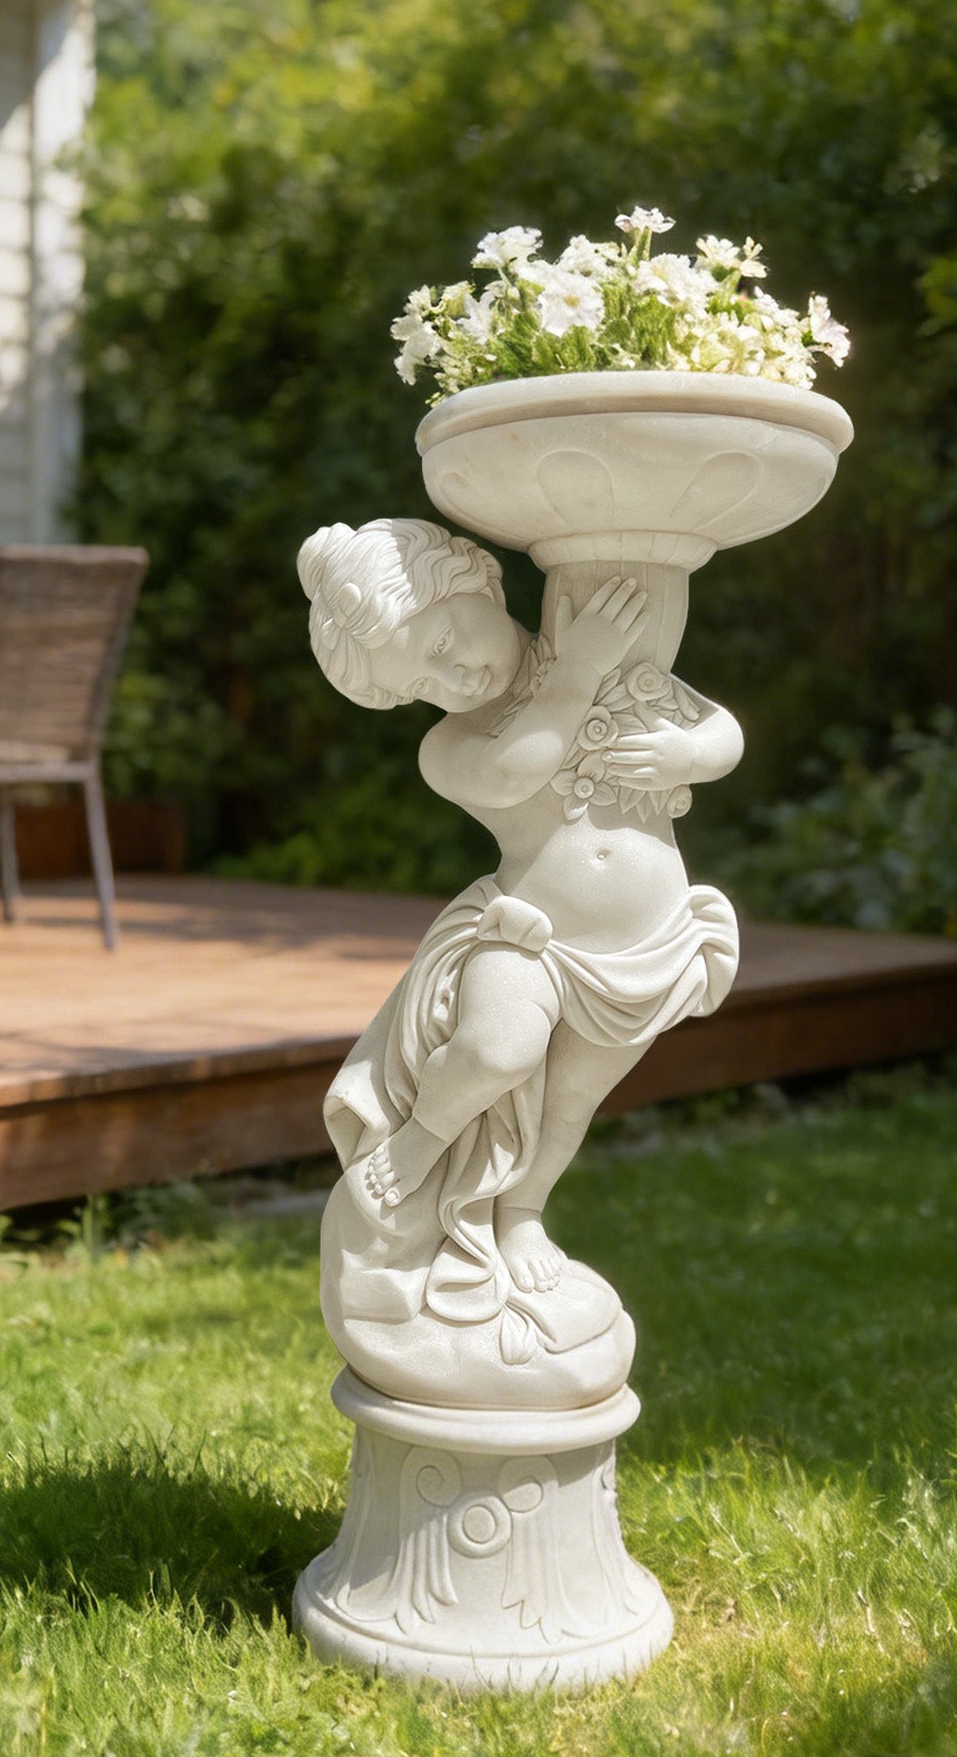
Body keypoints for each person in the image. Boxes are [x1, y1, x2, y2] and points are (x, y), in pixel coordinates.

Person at [298, 518, 743, 1406]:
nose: (451, 676)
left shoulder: (611, 661)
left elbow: (720, 727)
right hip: (526, 933)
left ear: (479, 579)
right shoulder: (452, 747)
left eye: (441, 641)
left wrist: (688, 752)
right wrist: (577, 670)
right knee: (496, 1052)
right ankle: (421, 1143)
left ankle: (522, 1212)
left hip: (644, 944)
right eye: (419, 683)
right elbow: (517, 771)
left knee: (572, 1101)